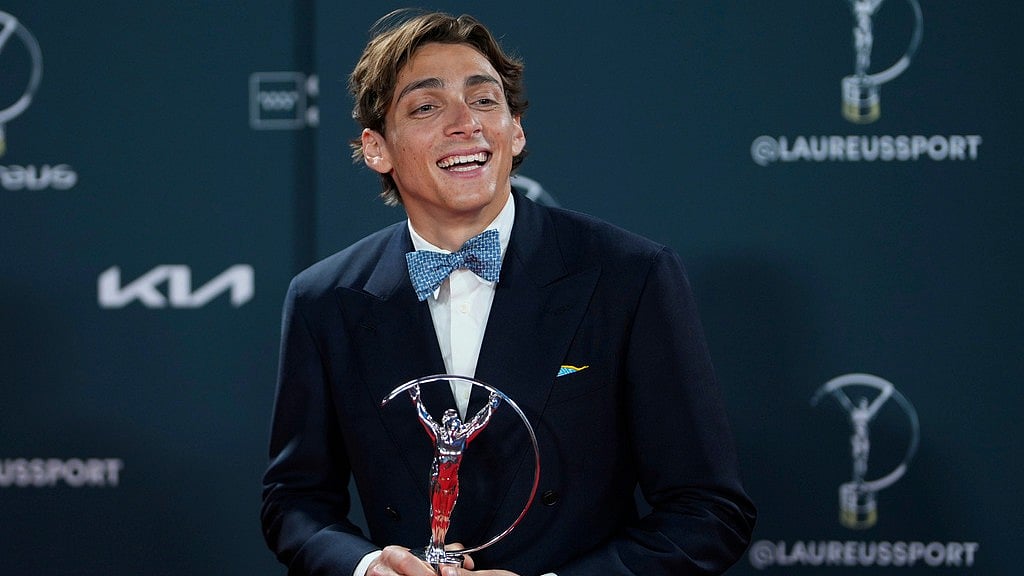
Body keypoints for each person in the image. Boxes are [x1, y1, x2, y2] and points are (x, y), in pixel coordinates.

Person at [261, 9, 756, 576]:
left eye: (485, 100)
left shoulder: (629, 275)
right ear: (377, 149)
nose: (465, 122)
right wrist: (369, 566)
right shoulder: (324, 299)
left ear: (515, 132)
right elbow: (294, 503)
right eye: (426, 107)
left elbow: (710, 511)